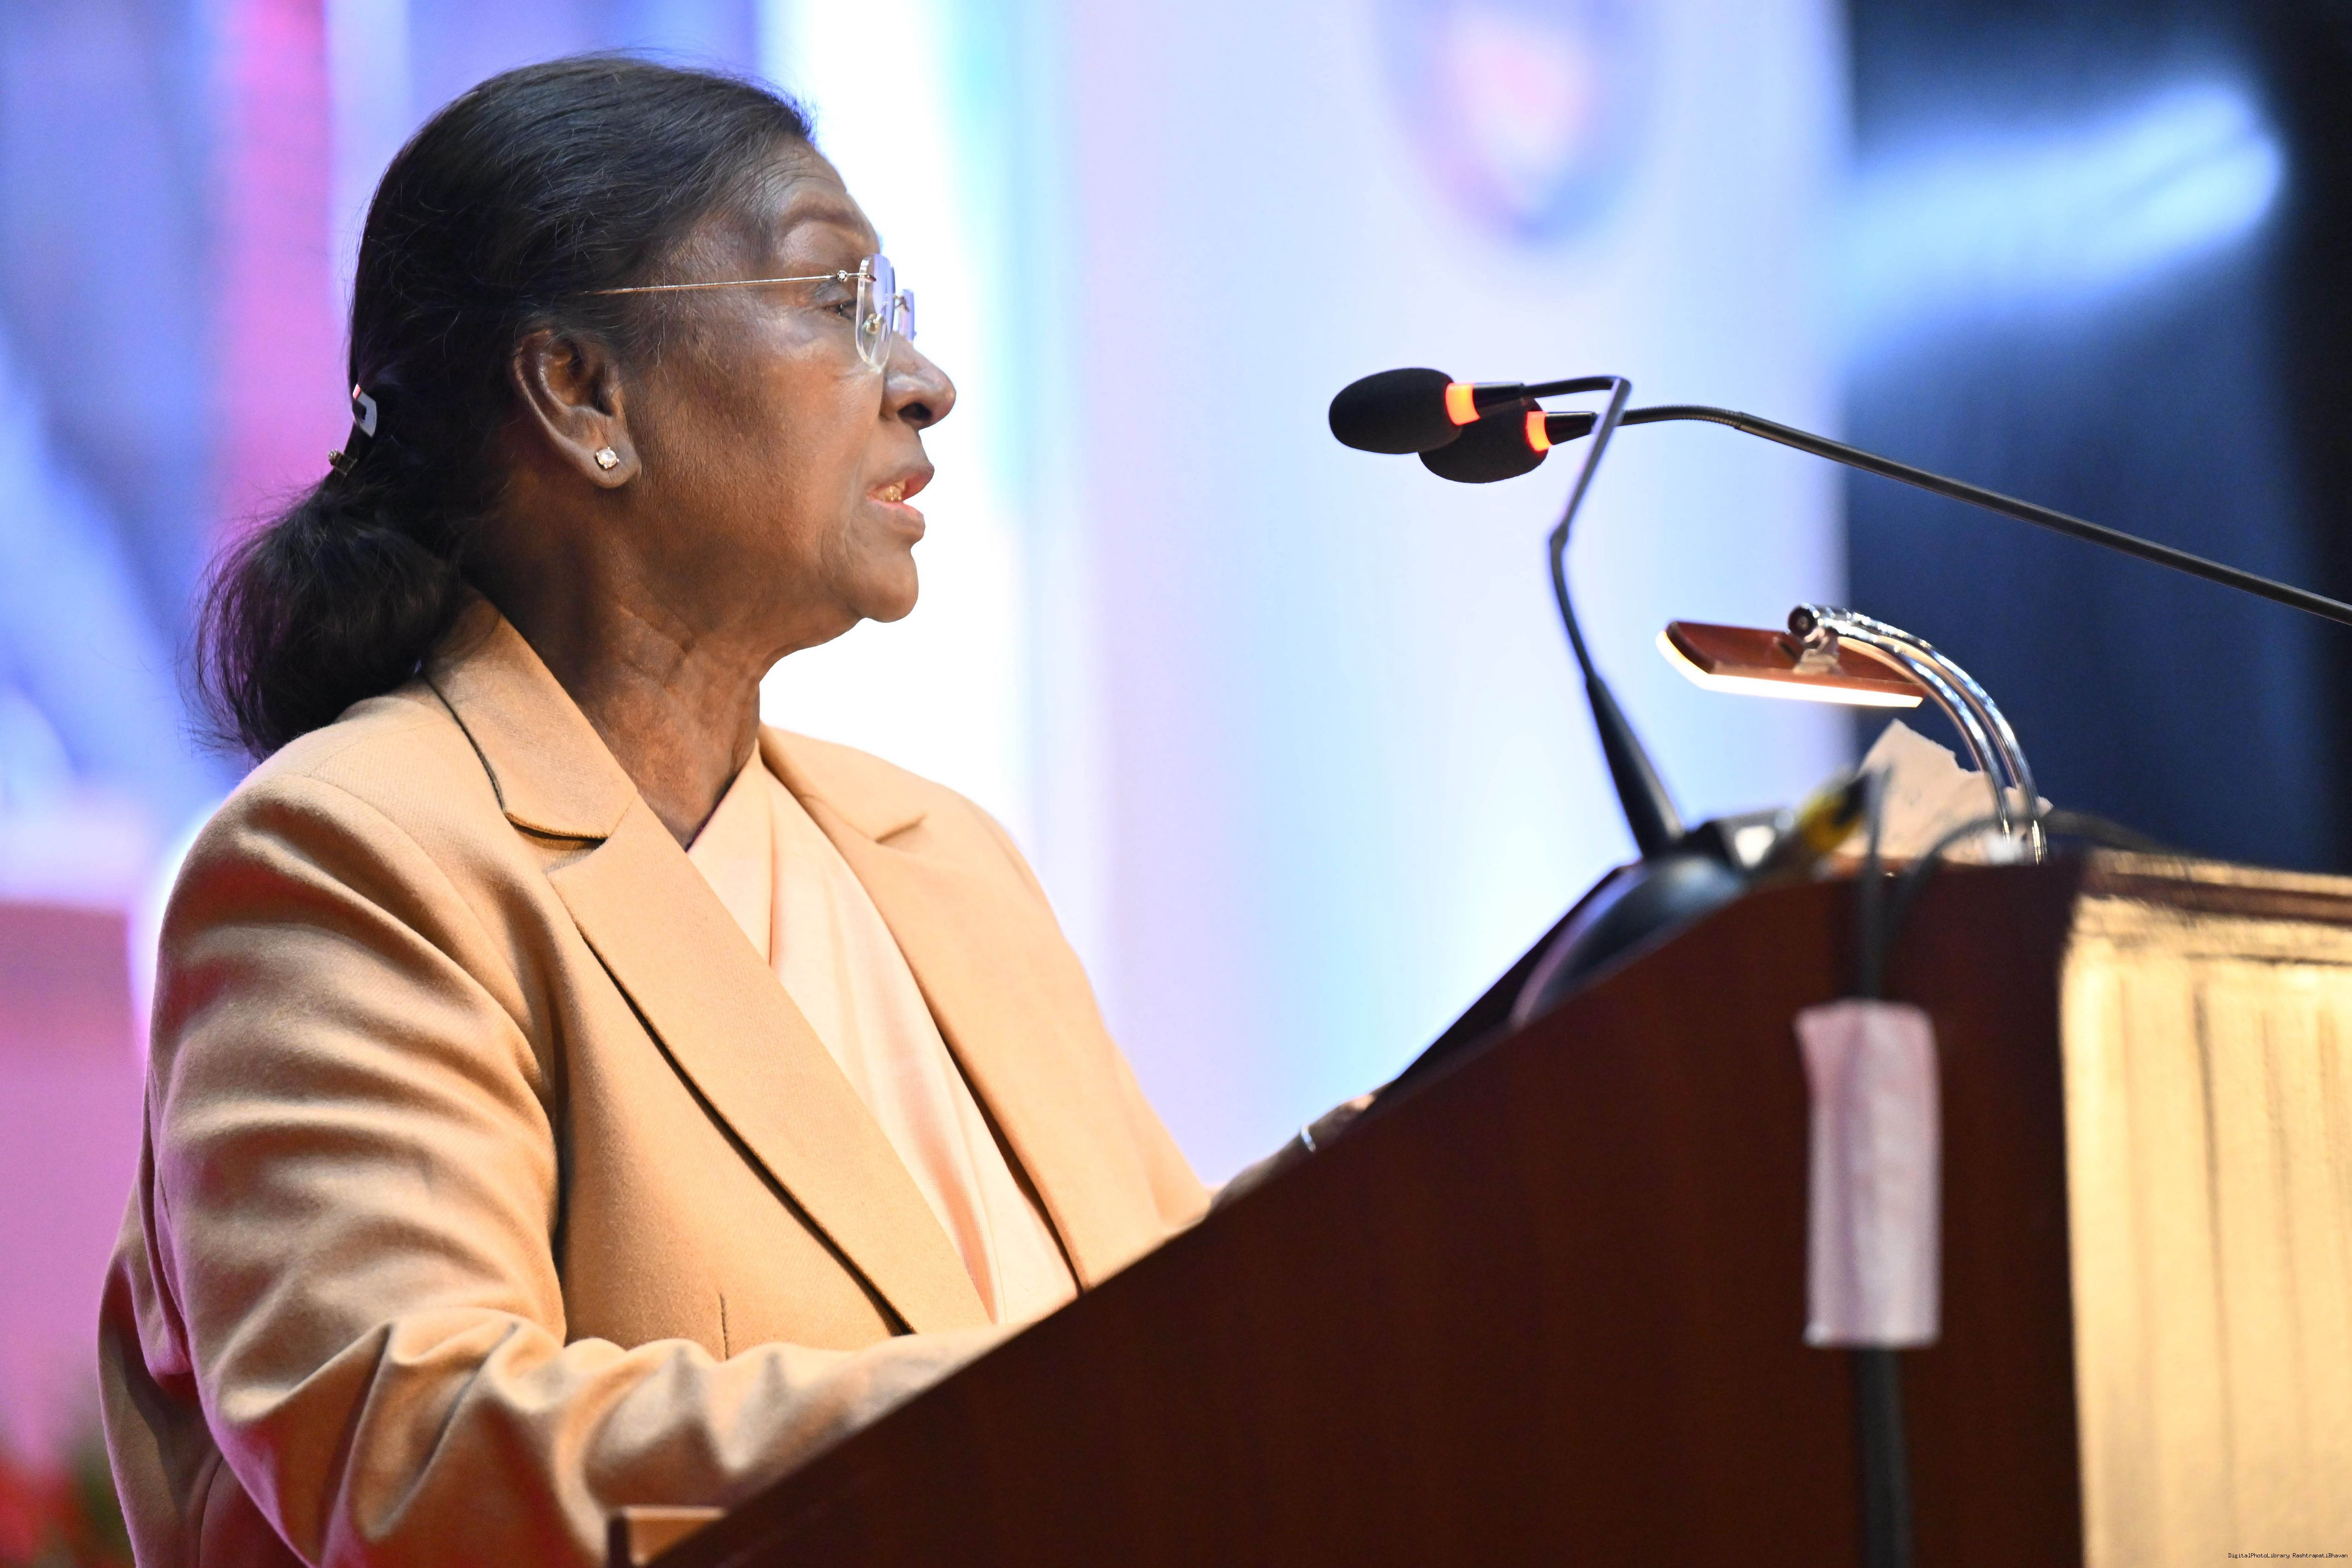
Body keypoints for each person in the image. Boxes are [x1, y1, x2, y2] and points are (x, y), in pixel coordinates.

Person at [98, 56, 1353, 1568]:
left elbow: (1160, 1318)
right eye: (838, 300)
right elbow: (421, 1451)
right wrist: (1041, 1406)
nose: (922, 381)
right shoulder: (353, 856)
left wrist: (1435, 1157)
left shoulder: (936, 853)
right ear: (581, 392)